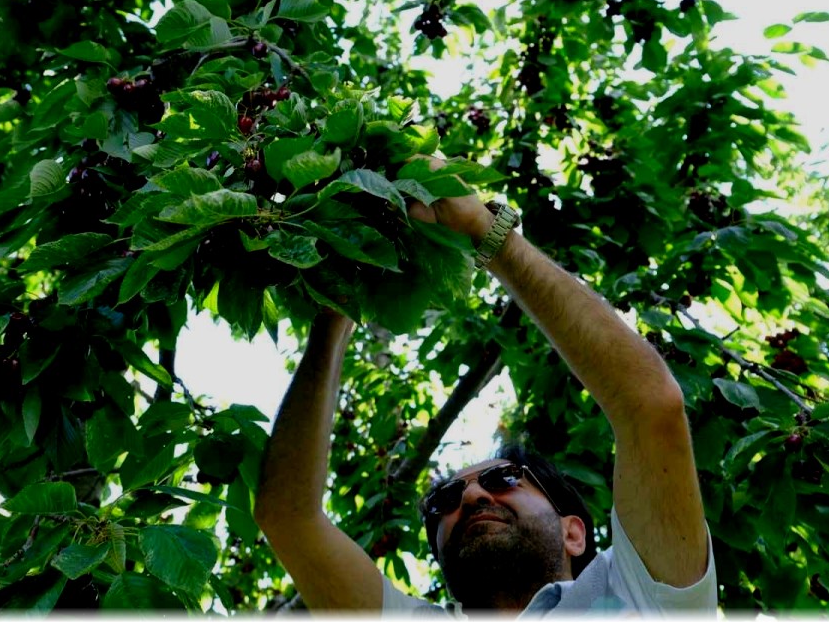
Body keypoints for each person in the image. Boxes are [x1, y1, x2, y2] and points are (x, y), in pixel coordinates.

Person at [253, 159, 717, 615]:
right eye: (443, 502)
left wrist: (487, 234)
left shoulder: (641, 594)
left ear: (574, 532)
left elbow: (649, 405)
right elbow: (289, 519)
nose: (472, 497)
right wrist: (338, 309)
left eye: (503, 479)